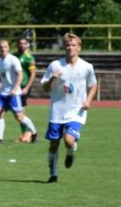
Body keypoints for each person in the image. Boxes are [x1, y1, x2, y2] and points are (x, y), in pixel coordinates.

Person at [41, 33, 98, 183]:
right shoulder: (55, 65)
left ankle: (71, 152)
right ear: (64, 47)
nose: (70, 48)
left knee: (68, 140)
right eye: (67, 45)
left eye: (73, 45)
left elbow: (93, 85)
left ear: (79, 47)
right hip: (57, 111)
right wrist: (52, 78)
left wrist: (88, 101)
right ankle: (53, 175)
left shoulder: (87, 67)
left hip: (76, 111)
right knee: (53, 144)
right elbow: (45, 88)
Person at [0, 39, 38, 145]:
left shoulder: (13, 59)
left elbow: (20, 75)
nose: (3, 49)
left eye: (5, 47)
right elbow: (0, 75)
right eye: (1, 47)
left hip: (14, 93)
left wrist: (15, 88)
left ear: (9, 48)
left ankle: (34, 133)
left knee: (19, 117)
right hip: (3, 93)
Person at [13, 37, 37, 142]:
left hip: (23, 87)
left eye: (24, 43)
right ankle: (27, 133)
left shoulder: (29, 57)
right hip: (14, 86)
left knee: (20, 111)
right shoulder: (13, 56)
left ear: (26, 45)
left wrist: (27, 87)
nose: (21, 45)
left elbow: (33, 74)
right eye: (20, 43)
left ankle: (27, 134)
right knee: (17, 113)